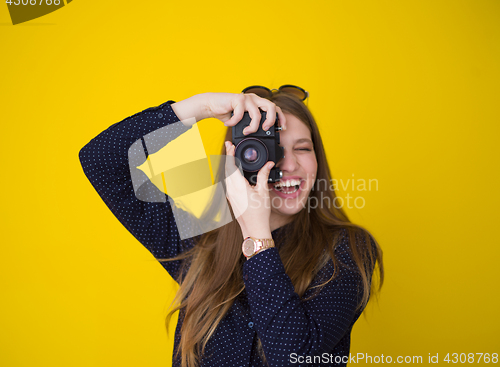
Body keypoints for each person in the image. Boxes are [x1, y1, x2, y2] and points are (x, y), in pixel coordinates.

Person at [79, 87, 384, 367]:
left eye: (303, 148)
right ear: (236, 159)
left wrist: (257, 234)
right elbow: (101, 160)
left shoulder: (348, 249)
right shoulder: (199, 240)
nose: (288, 165)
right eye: (271, 149)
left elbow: (294, 357)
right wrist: (203, 107)